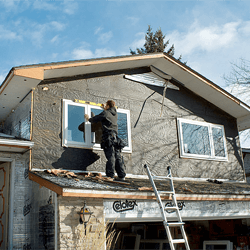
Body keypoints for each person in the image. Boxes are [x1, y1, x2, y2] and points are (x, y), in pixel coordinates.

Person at [84, 100, 126, 181]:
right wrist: (105, 108)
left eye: (105, 105)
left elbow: (96, 118)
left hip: (108, 137)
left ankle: (110, 175)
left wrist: (88, 119)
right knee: (117, 157)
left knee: (111, 156)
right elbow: (108, 115)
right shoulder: (115, 114)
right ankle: (121, 175)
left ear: (108, 106)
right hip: (115, 138)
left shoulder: (105, 113)